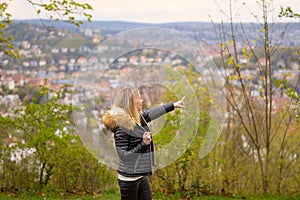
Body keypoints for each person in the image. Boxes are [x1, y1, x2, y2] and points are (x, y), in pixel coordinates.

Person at [101, 87, 185, 200]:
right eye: (139, 98)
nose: (142, 100)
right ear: (131, 103)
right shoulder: (121, 127)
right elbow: (124, 156)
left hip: (140, 174)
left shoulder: (135, 118)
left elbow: (152, 113)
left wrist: (173, 105)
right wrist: (143, 144)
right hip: (129, 179)